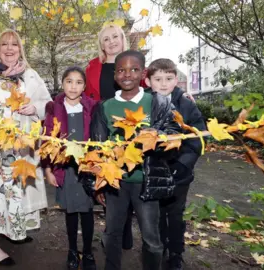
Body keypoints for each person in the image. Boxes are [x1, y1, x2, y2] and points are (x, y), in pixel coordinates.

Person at [90, 50, 180, 270]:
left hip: (147, 181)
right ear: (115, 75)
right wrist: (99, 181)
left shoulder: (158, 102)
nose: (127, 74)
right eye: (121, 70)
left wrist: (159, 139)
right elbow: (98, 146)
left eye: (133, 69)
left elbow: (175, 135)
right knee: (112, 233)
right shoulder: (104, 107)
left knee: (151, 238)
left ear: (143, 72)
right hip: (116, 183)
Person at [0, 29, 52, 266]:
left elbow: (48, 103)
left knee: (18, 188)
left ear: (20, 49)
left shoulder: (29, 76)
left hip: (21, 146)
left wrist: (35, 108)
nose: (9, 49)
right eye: (4, 45)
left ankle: (14, 229)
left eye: (14, 45)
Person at [144, 58, 206, 270]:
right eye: (158, 79)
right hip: (153, 172)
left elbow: (197, 137)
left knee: (176, 214)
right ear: (148, 81)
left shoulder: (186, 105)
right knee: (156, 215)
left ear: (176, 80)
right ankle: (159, 249)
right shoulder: (144, 103)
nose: (163, 84)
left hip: (180, 171)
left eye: (168, 79)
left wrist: (184, 163)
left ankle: (176, 253)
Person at [84, 22, 135, 252]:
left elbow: (151, 88)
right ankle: (114, 231)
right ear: (101, 44)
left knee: (129, 178)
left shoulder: (134, 62)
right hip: (103, 130)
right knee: (108, 179)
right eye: (106, 38)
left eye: (115, 36)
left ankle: (124, 230)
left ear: (123, 39)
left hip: (129, 129)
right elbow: (86, 97)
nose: (112, 41)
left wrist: (179, 94)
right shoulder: (93, 67)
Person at [43, 67, 97, 270]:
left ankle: (88, 252)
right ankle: (73, 250)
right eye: (69, 81)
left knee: (87, 211)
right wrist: (48, 169)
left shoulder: (92, 107)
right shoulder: (53, 107)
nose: (73, 87)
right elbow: (47, 139)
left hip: (86, 168)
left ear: (84, 86)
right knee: (71, 212)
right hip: (65, 169)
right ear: (63, 83)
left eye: (78, 82)